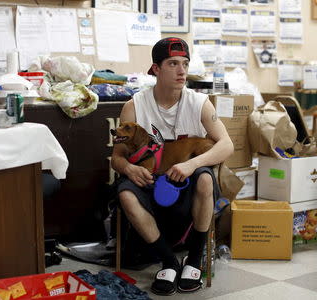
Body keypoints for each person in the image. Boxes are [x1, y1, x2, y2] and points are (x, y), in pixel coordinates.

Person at [111, 37, 233, 295]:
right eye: (173, 63)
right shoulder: (134, 106)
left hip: (186, 180)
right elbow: (117, 157)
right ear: (156, 69)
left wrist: (192, 164)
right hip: (150, 180)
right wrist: (129, 169)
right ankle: (168, 261)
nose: (182, 71)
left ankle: (195, 260)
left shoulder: (199, 103)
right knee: (124, 193)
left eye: (185, 64)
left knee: (205, 178)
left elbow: (226, 145)